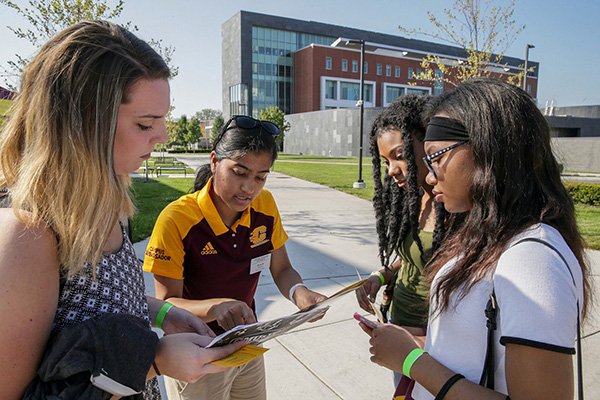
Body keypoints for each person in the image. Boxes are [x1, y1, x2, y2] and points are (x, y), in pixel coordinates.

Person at [0, 20, 244, 400]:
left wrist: (164, 314)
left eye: (162, 120)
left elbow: (102, 300)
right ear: (83, 124)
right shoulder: (27, 235)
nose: (162, 136)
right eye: (146, 123)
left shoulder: (109, 203)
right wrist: (155, 360)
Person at [360, 77, 591, 399]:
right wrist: (412, 344)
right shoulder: (487, 237)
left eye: (437, 158)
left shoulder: (534, 259)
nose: (428, 175)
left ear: (488, 150)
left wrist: (411, 359)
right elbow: (470, 350)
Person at [143, 114, 328, 400]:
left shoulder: (264, 206)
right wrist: (217, 307)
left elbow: (282, 269)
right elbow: (166, 303)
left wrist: (299, 292)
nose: (249, 188)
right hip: (197, 351)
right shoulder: (177, 219)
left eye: (260, 177)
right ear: (215, 161)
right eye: (239, 172)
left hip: (247, 342)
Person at [354, 95, 450, 392]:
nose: (392, 169)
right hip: (398, 326)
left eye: (399, 155)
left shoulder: (453, 205)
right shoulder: (412, 199)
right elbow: (409, 258)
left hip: (431, 340)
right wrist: (380, 276)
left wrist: (413, 341)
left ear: (427, 145)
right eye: (386, 161)